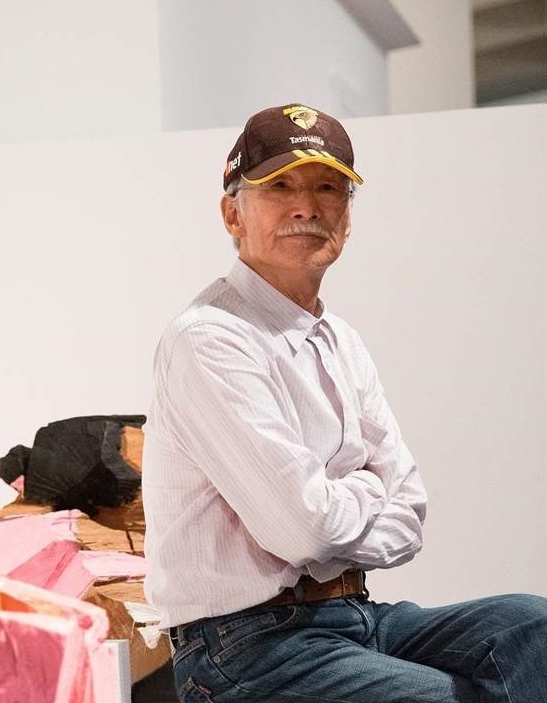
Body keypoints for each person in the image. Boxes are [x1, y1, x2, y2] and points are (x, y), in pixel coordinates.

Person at [142, 103, 547, 702]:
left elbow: (408, 514)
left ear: (347, 219)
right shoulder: (210, 338)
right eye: (280, 187)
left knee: (533, 629)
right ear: (232, 213)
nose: (307, 206)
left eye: (328, 188)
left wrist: (334, 511)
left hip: (356, 615)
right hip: (244, 648)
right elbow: (303, 532)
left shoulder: (341, 341)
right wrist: (364, 488)